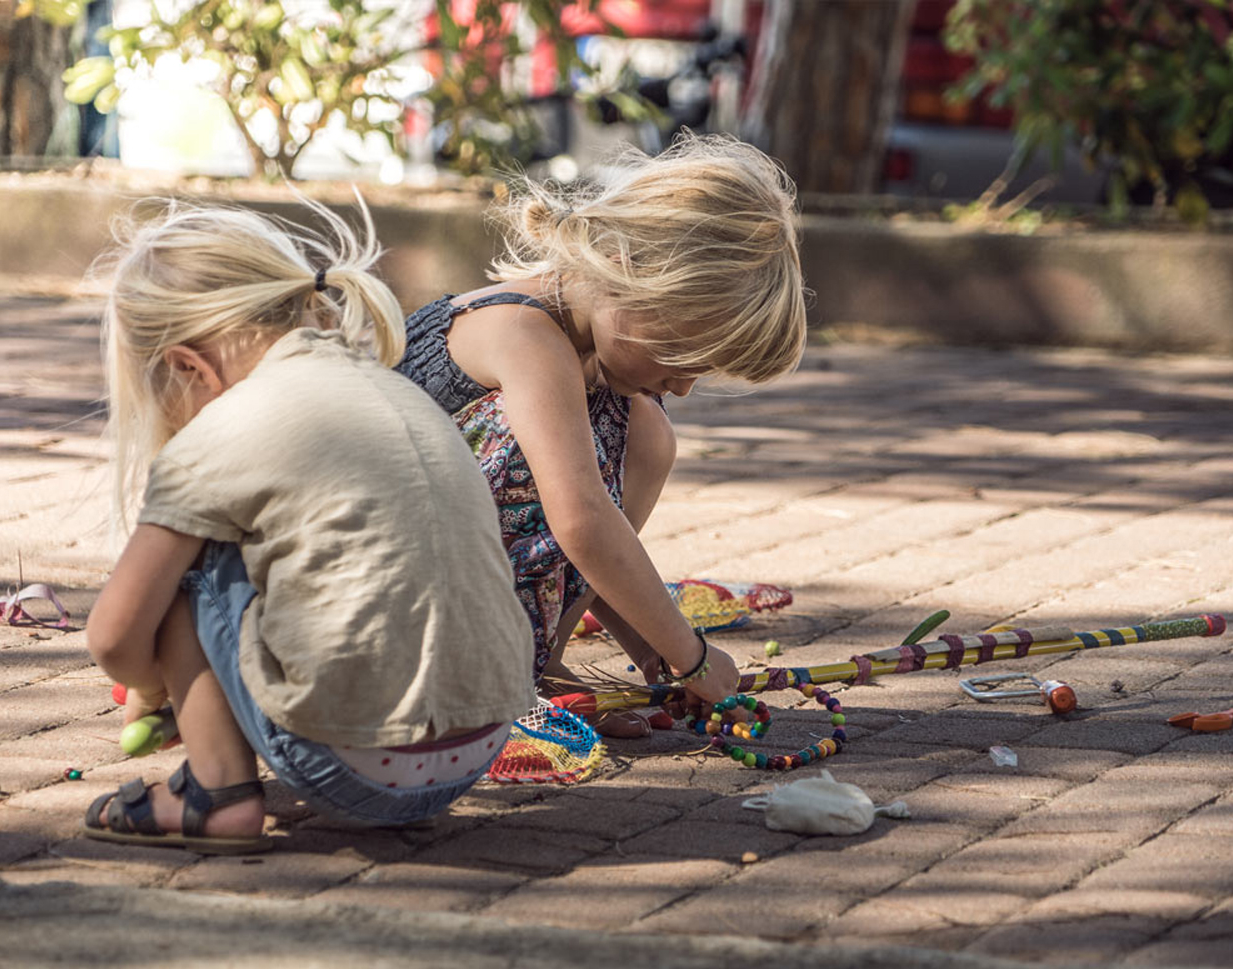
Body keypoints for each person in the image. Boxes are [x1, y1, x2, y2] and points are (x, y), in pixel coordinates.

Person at [83, 200, 534, 854]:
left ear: (186, 365)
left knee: (190, 564)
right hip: (477, 748)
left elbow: (113, 634)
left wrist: (158, 689)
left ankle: (218, 795)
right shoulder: (391, 388)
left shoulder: (216, 433)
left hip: (351, 764)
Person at [396, 132, 807, 736]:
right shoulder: (523, 333)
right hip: (390, 599)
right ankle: (478, 682)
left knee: (648, 437)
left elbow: (596, 542)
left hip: (458, 583)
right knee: (581, 469)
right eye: (680, 356)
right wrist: (692, 655)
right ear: (627, 271)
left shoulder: (606, 382)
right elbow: (581, 520)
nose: (684, 387)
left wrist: (658, 656)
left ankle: (532, 668)